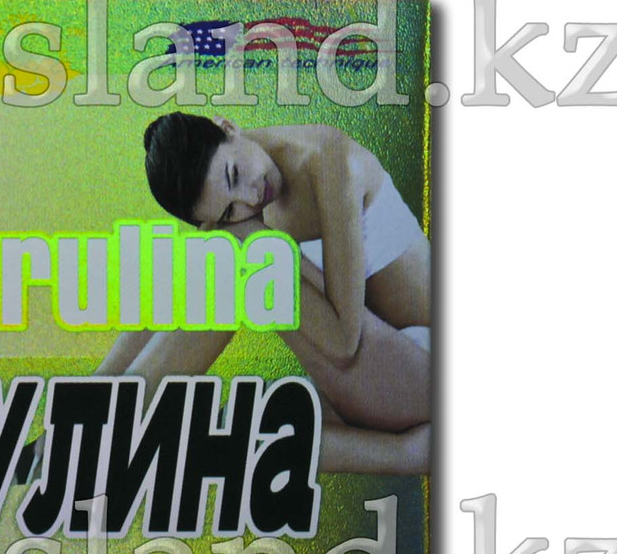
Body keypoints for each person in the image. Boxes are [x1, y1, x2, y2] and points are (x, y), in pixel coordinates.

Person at [109, 112, 432, 473]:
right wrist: (97, 384)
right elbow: (179, 295)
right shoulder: (236, 209)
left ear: (228, 127)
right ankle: (95, 410)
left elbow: (343, 341)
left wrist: (256, 244)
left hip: (422, 369)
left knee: (238, 257)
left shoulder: (327, 160)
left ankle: (105, 431)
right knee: (228, 428)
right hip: (371, 378)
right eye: (229, 209)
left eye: (234, 175)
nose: (250, 197)